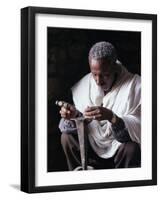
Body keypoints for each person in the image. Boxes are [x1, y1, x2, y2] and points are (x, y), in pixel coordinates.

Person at [58, 41, 141, 171]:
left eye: (105, 75)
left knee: (131, 148)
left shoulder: (135, 86)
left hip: (118, 147)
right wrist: (74, 116)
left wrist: (112, 117)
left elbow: (138, 131)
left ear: (114, 67)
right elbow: (78, 124)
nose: (98, 81)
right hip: (91, 147)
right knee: (66, 137)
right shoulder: (85, 85)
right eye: (94, 74)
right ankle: (78, 180)